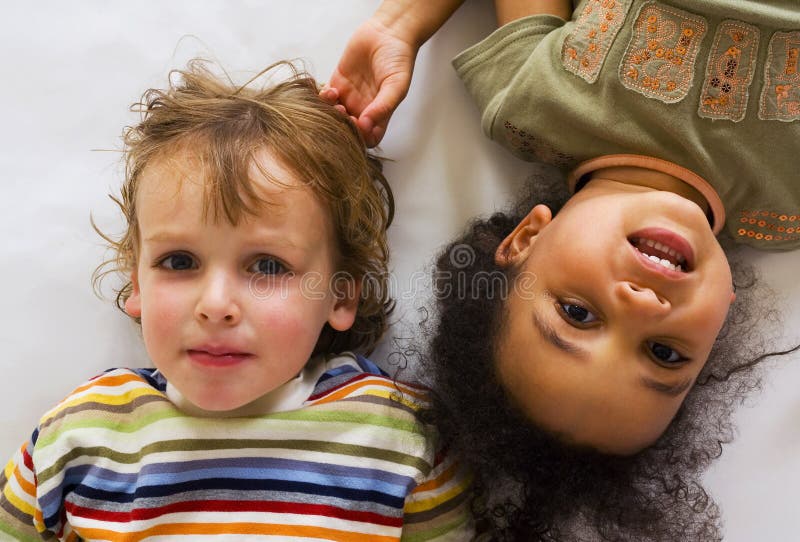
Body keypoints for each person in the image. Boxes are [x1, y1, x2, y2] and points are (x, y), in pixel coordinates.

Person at [326, 0, 800, 539]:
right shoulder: (786, 208)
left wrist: (400, 25)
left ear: (527, 237)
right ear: (717, 323)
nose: (643, 305)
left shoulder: (535, 109)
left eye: (577, 314)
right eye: (665, 353)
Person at [0, 60, 473, 541]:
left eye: (268, 266)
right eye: (180, 262)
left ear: (341, 293)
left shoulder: (398, 438)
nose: (216, 304)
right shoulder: (78, 438)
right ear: (137, 284)